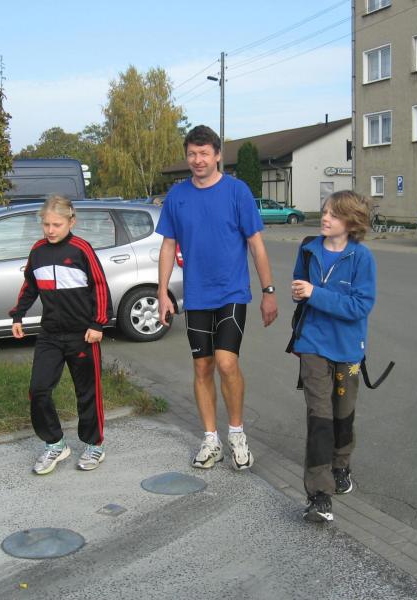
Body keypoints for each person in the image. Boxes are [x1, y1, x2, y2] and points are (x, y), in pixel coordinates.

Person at [156, 125, 278, 471]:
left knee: (226, 363)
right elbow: (168, 245)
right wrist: (162, 291)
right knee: (202, 366)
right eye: (192, 154)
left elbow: (256, 244)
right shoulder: (177, 196)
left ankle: (236, 434)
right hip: (197, 295)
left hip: (231, 292)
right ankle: (211, 440)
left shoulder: (237, 191)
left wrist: (268, 291)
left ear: (218, 155)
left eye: (204, 153)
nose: (198, 160)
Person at [9, 195, 112, 475]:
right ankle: (55, 443)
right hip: (50, 334)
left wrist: (98, 324)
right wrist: (18, 315)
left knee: (87, 393)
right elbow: (30, 286)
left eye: (57, 224)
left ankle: (94, 445)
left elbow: (100, 286)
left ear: (71, 222)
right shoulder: (38, 251)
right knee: (38, 390)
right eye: (46, 225)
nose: (51, 230)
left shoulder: (81, 249)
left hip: (83, 334)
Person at [290, 190, 376, 523]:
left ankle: (341, 465)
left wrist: (315, 293)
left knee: (343, 414)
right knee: (320, 417)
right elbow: (300, 288)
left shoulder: (361, 258)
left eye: (334, 214)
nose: (325, 218)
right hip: (312, 344)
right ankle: (319, 495)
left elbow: (360, 306)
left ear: (352, 222)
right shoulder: (308, 249)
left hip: (349, 349)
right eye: (325, 211)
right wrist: (301, 292)